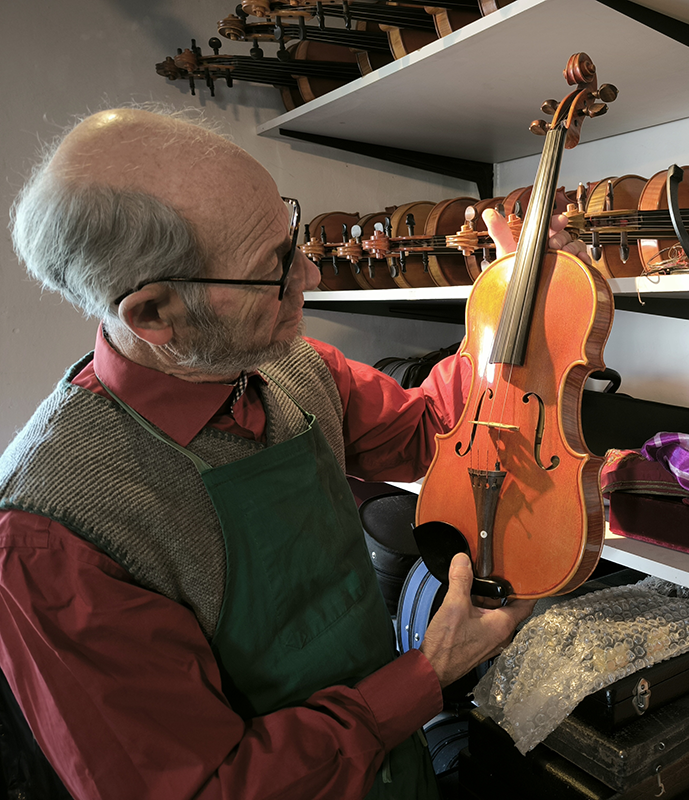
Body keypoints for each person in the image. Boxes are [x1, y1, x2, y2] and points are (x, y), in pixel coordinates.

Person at [0, 107, 583, 799]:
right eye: (274, 266)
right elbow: (203, 791)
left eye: (292, 239)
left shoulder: (291, 366)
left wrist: (514, 301)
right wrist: (426, 673)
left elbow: (429, 431)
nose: (308, 272)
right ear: (153, 314)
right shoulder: (49, 535)